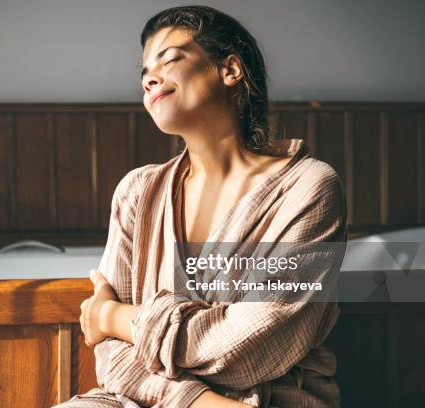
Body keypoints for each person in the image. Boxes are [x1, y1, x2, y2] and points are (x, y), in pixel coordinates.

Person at [55, 5, 346, 407]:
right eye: (144, 74)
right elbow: (112, 358)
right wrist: (196, 401)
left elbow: (254, 344)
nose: (149, 79)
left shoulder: (308, 189)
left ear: (230, 70)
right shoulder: (137, 192)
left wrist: (114, 318)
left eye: (170, 59)